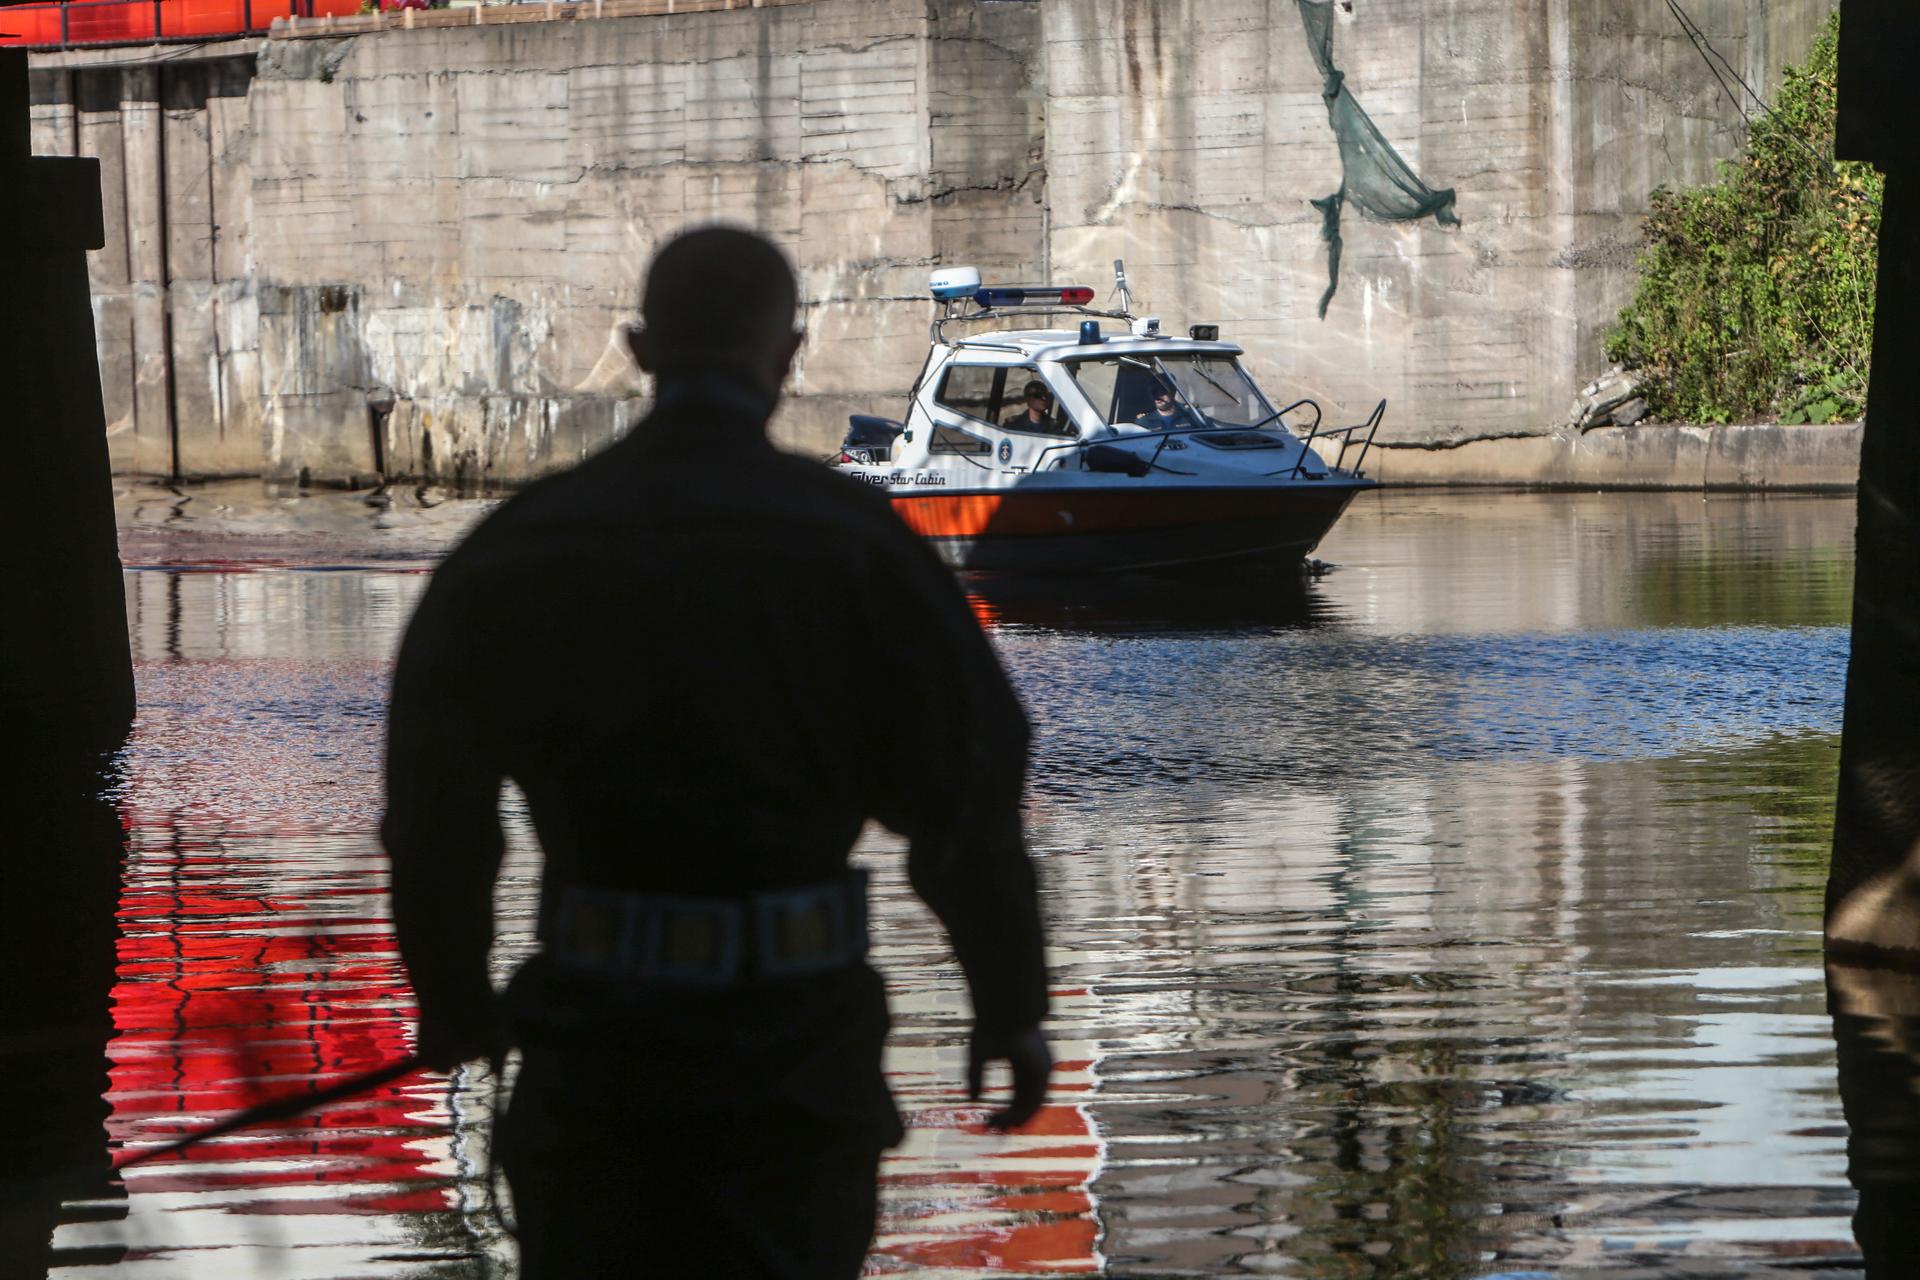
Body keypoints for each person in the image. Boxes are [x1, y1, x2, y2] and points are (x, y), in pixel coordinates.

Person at [381, 226, 1052, 1278]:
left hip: (594, 1057)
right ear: (788, 353)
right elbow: (969, 803)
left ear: (640, 350)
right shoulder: (862, 547)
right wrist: (1009, 1005)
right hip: (794, 1069)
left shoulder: (517, 547)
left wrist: (455, 1002)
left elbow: (435, 822)